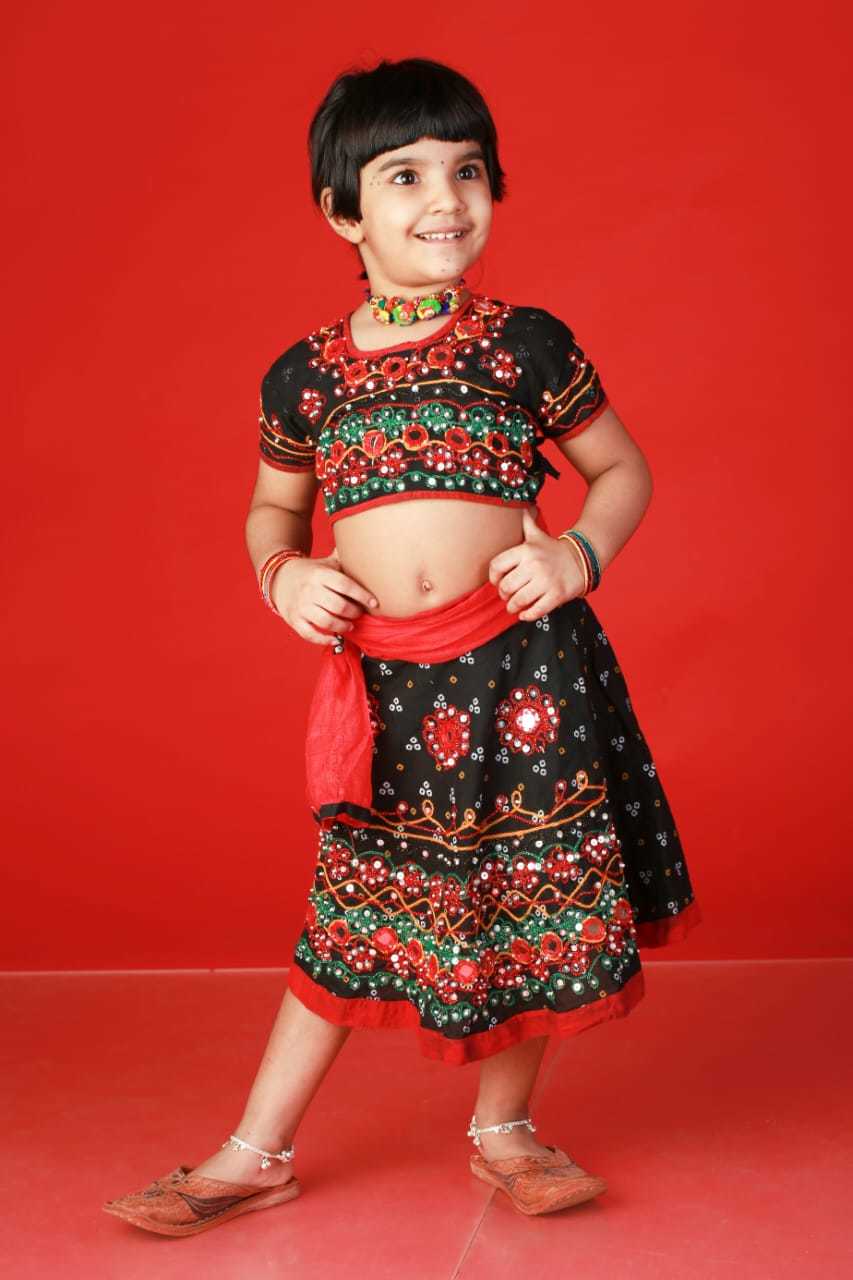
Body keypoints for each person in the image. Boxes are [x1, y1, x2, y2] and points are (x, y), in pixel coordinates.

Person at [103, 55, 701, 1236]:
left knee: (524, 890)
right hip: (390, 686)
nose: (446, 200)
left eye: (468, 172)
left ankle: (505, 1130)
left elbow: (621, 471)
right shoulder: (305, 377)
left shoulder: (522, 345)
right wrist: (284, 572)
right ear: (343, 212)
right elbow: (272, 509)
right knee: (353, 902)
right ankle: (254, 1151)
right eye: (406, 176)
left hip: (525, 672)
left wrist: (578, 555)